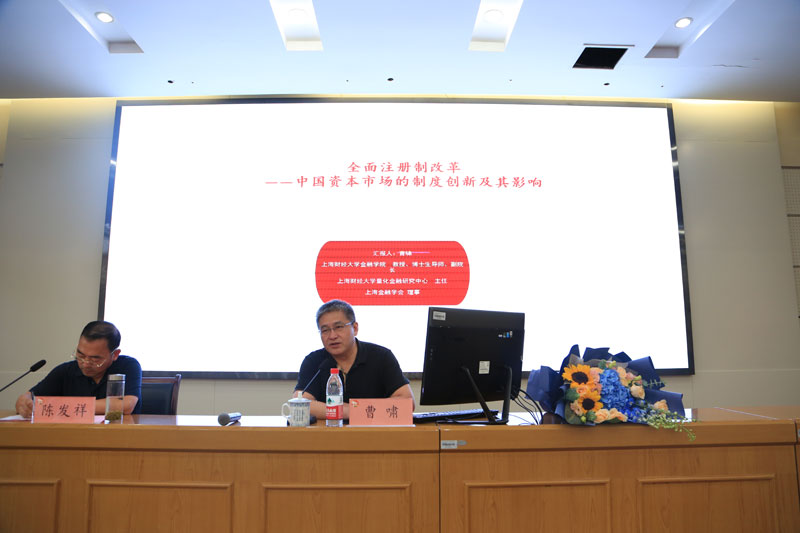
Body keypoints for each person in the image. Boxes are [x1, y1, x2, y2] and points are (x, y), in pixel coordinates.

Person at [295, 300, 415, 420]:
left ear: (355, 328)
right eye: (325, 330)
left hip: (373, 430)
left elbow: (407, 403)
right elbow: (299, 403)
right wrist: (348, 411)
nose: (332, 336)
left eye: (339, 327)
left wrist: (354, 410)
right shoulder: (314, 361)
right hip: (329, 430)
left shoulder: (381, 356)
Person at [15, 320, 142, 418]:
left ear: (115, 355)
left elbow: (126, 405)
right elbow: (30, 397)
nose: (85, 364)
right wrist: (23, 402)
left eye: (95, 359)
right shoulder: (65, 371)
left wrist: (63, 405)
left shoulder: (128, 366)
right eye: (80, 355)